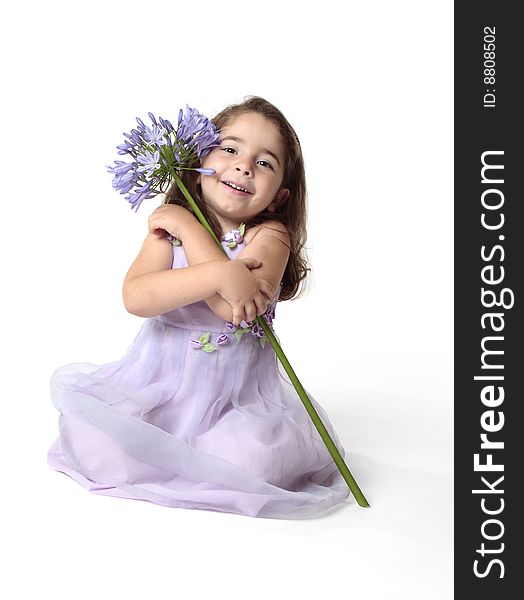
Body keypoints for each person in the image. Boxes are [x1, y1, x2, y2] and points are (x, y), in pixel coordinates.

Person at [48, 96, 350, 518]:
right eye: (230, 148)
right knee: (100, 445)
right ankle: (168, 452)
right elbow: (136, 297)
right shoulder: (167, 226)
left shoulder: (269, 236)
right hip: (159, 388)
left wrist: (192, 233)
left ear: (280, 195)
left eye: (265, 162)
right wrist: (219, 269)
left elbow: (237, 309)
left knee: (251, 462)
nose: (244, 165)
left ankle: (200, 455)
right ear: (198, 160)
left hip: (234, 401)